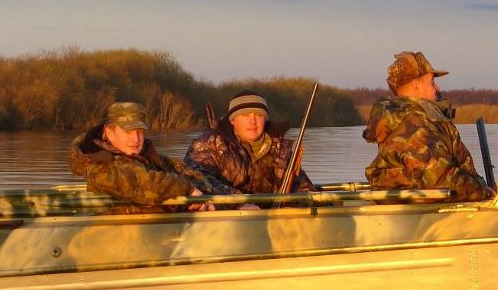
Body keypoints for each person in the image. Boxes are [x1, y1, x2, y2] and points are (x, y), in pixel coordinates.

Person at [362, 51, 494, 202]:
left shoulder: (411, 119)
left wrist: (480, 186)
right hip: (420, 216)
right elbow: (438, 178)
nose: (437, 88)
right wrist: (483, 192)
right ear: (417, 86)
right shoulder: (414, 127)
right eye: (431, 82)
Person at [69, 101, 235, 214]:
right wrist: (188, 190)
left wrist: (237, 201)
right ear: (109, 133)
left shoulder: (152, 158)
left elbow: (193, 176)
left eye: (139, 132)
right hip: (121, 244)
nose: (135, 139)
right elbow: (143, 183)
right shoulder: (97, 164)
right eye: (127, 132)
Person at [183, 90, 315, 195]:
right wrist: (237, 202)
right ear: (232, 120)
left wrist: (297, 204)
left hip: (272, 220)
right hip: (227, 219)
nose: (253, 121)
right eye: (245, 115)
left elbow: (302, 185)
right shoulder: (209, 144)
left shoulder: (281, 148)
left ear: (266, 119)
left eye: (259, 115)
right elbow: (193, 178)